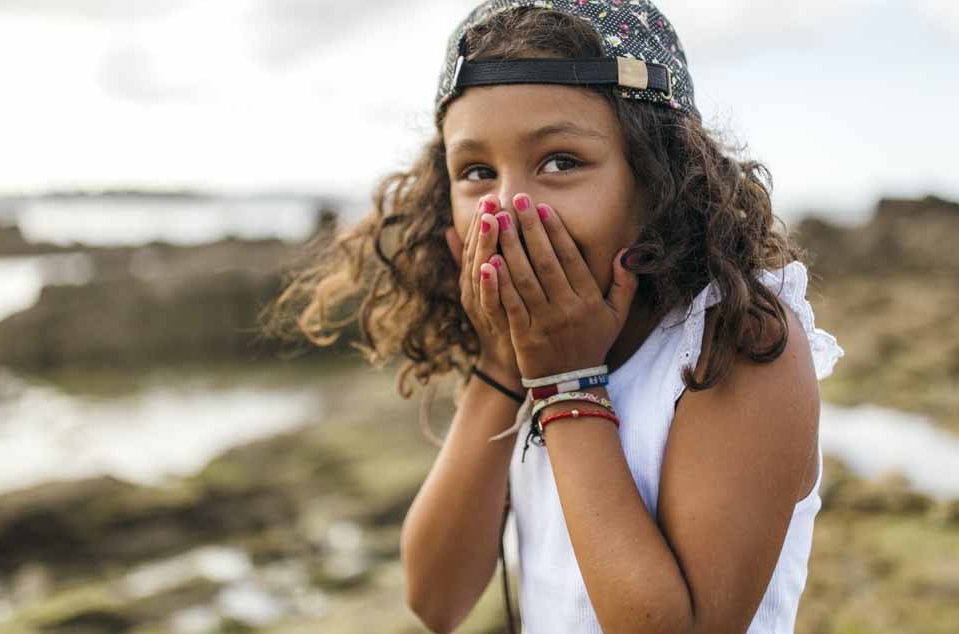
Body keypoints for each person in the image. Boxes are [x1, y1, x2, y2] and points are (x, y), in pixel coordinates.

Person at [260, 1, 846, 632]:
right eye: (477, 172)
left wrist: (569, 387)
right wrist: (500, 364)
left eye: (560, 162)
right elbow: (436, 598)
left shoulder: (737, 342)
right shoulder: (528, 352)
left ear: (658, 177)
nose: (506, 208)